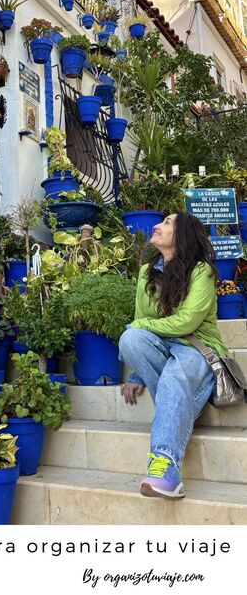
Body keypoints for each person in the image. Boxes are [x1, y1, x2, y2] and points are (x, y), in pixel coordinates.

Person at [118, 211, 228, 500]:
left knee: (174, 373)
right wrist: (136, 374)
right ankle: (178, 405)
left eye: (167, 223)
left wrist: (142, 325)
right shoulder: (146, 272)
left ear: (182, 236)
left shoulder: (201, 271)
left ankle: (165, 468)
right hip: (165, 350)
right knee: (130, 338)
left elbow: (188, 322)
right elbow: (139, 321)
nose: (157, 226)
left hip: (196, 348)